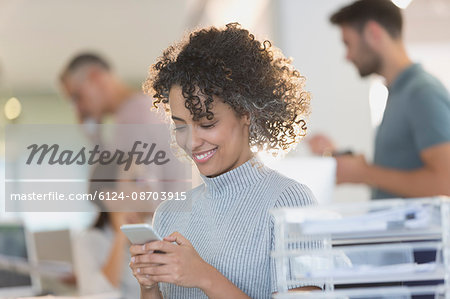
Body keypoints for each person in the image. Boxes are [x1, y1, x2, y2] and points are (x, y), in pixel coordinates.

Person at [128, 23, 323, 298]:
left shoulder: (289, 202)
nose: (192, 142)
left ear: (246, 113)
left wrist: (203, 276)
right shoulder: (169, 214)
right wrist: (148, 285)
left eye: (207, 123)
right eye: (181, 125)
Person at [309, 0, 450, 199]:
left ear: (373, 33)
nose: (347, 57)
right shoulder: (399, 93)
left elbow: (446, 185)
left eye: (348, 43)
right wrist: (348, 164)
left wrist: (364, 173)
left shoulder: (422, 93)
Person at [73, 164, 149, 298]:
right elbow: (99, 294)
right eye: (136, 180)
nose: (147, 186)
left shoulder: (153, 231)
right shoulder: (89, 241)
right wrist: (120, 236)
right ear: (109, 196)